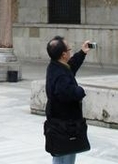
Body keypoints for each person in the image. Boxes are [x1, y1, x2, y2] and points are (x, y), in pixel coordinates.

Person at [45, 36, 93, 164]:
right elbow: (67, 93)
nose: (70, 52)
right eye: (69, 49)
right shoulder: (60, 74)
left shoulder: (56, 66)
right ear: (63, 54)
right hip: (65, 124)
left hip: (59, 122)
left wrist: (82, 53)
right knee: (67, 155)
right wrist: (80, 90)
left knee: (60, 154)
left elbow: (70, 67)